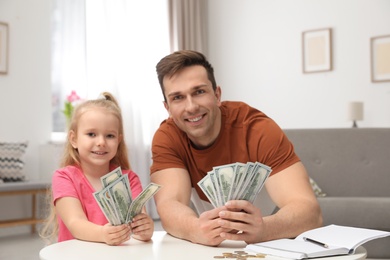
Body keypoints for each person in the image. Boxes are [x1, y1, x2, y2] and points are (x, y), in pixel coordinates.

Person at [150, 50, 322, 246]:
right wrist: (195, 229)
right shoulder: (167, 137)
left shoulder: (258, 130)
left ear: (217, 95)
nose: (191, 107)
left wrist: (264, 229)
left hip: (271, 240)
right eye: (178, 97)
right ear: (167, 108)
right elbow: (169, 204)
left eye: (199, 92)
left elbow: (310, 213)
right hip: (211, 246)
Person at [40, 92, 153, 245]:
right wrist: (102, 234)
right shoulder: (64, 177)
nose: (101, 142)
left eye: (110, 136)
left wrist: (145, 230)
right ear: (74, 139)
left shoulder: (129, 179)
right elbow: (75, 223)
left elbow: (138, 225)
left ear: (118, 140)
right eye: (91, 134)